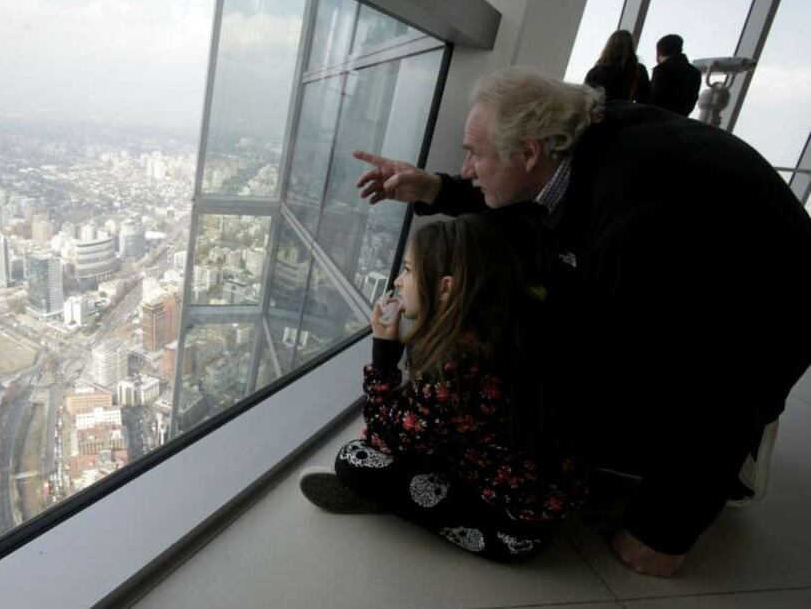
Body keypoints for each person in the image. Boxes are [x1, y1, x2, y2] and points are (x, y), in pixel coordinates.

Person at [351, 68, 811, 577]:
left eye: (474, 153)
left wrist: (662, 531)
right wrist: (438, 189)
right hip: (698, 273)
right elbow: (528, 208)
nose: (468, 167)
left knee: (670, 388)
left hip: (773, 313)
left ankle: (724, 474)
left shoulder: (639, 224)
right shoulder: (581, 141)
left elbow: (721, 378)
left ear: (529, 152)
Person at [299, 216, 586, 561]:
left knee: (354, 459)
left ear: (445, 287)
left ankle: (391, 500)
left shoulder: (455, 365)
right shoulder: (501, 326)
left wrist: (384, 350)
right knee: (407, 434)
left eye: (407, 271)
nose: (397, 281)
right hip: (541, 487)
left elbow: (379, 436)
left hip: (512, 530)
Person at [584, 30, 651, 103]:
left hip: (600, 112)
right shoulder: (639, 70)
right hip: (623, 113)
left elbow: (585, 99)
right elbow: (645, 99)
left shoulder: (595, 72)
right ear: (631, 47)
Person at [650, 34, 703, 116]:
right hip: (679, 120)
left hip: (659, 119)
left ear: (660, 51)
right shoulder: (695, 73)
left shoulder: (662, 70)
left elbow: (654, 100)